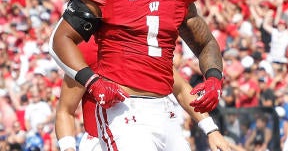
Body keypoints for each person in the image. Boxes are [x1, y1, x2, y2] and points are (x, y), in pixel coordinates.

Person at [49, 0, 225, 150]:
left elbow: (205, 43)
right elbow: (61, 40)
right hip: (122, 109)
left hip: (166, 109)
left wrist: (214, 78)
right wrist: (93, 82)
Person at [55, 37, 230, 151]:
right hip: (103, 140)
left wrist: (211, 129)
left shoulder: (145, 41)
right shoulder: (88, 49)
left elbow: (182, 89)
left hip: (161, 128)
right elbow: (65, 110)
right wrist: (68, 147)